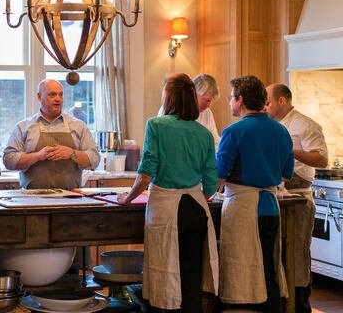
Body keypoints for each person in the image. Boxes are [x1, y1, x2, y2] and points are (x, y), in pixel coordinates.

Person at [118, 73, 219, 312]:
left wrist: (128, 198)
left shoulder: (156, 125)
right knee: (191, 276)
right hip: (195, 209)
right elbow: (212, 182)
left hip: (165, 209)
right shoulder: (203, 133)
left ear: (169, 98)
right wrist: (197, 196)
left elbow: (146, 173)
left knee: (164, 272)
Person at [217, 75, 294, 312]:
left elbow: (219, 173)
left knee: (240, 267)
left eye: (231, 98)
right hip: (270, 206)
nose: (230, 102)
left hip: (243, 206)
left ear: (240, 100)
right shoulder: (281, 131)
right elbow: (286, 174)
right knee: (268, 265)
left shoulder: (234, 131)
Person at [265, 83, 328, 312]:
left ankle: (301, 305)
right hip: (279, 194)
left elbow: (321, 160)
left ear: (282, 100)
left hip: (299, 195)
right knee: (280, 255)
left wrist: (290, 150)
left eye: (268, 101)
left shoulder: (306, 124)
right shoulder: (273, 125)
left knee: (298, 255)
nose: (265, 106)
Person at [3, 79, 100, 190]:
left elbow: (95, 159)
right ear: (39, 97)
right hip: (32, 198)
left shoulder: (78, 126)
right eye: (52, 95)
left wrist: (72, 153)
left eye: (61, 95)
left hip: (70, 197)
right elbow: (8, 160)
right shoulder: (23, 127)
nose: (58, 99)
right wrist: (38, 156)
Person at [158, 73, 221, 148]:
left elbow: (215, 142)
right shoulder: (170, 108)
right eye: (206, 100)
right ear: (194, 92)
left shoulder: (207, 113)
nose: (208, 105)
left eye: (211, 101)